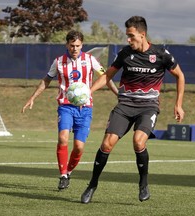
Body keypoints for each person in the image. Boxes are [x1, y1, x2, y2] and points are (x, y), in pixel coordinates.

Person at [80, 16, 185, 204]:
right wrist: (88, 92)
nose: (128, 40)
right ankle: (92, 185)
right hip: (125, 106)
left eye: (131, 36)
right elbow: (107, 76)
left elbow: (180, 75)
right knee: (106, 145)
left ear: (142, 35)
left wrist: (178, 104)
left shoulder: (161, 54)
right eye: (127, 36)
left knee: (138, 142)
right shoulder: (125, 53)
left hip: (148, 107)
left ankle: (143, 184)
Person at [21, 30, 118, 190]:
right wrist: (33, 97)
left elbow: (105, 77)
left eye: (78, 46)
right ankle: (63, 175)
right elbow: (46, 80)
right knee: (63, 138)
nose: (74, 48)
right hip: (65, 106)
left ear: (82, 45)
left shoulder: (90, 60)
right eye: (72, 45)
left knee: (79, 147)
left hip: (85, 108)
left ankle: (69, 171)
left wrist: (118, 94)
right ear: (67, 45)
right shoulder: (58, 62)